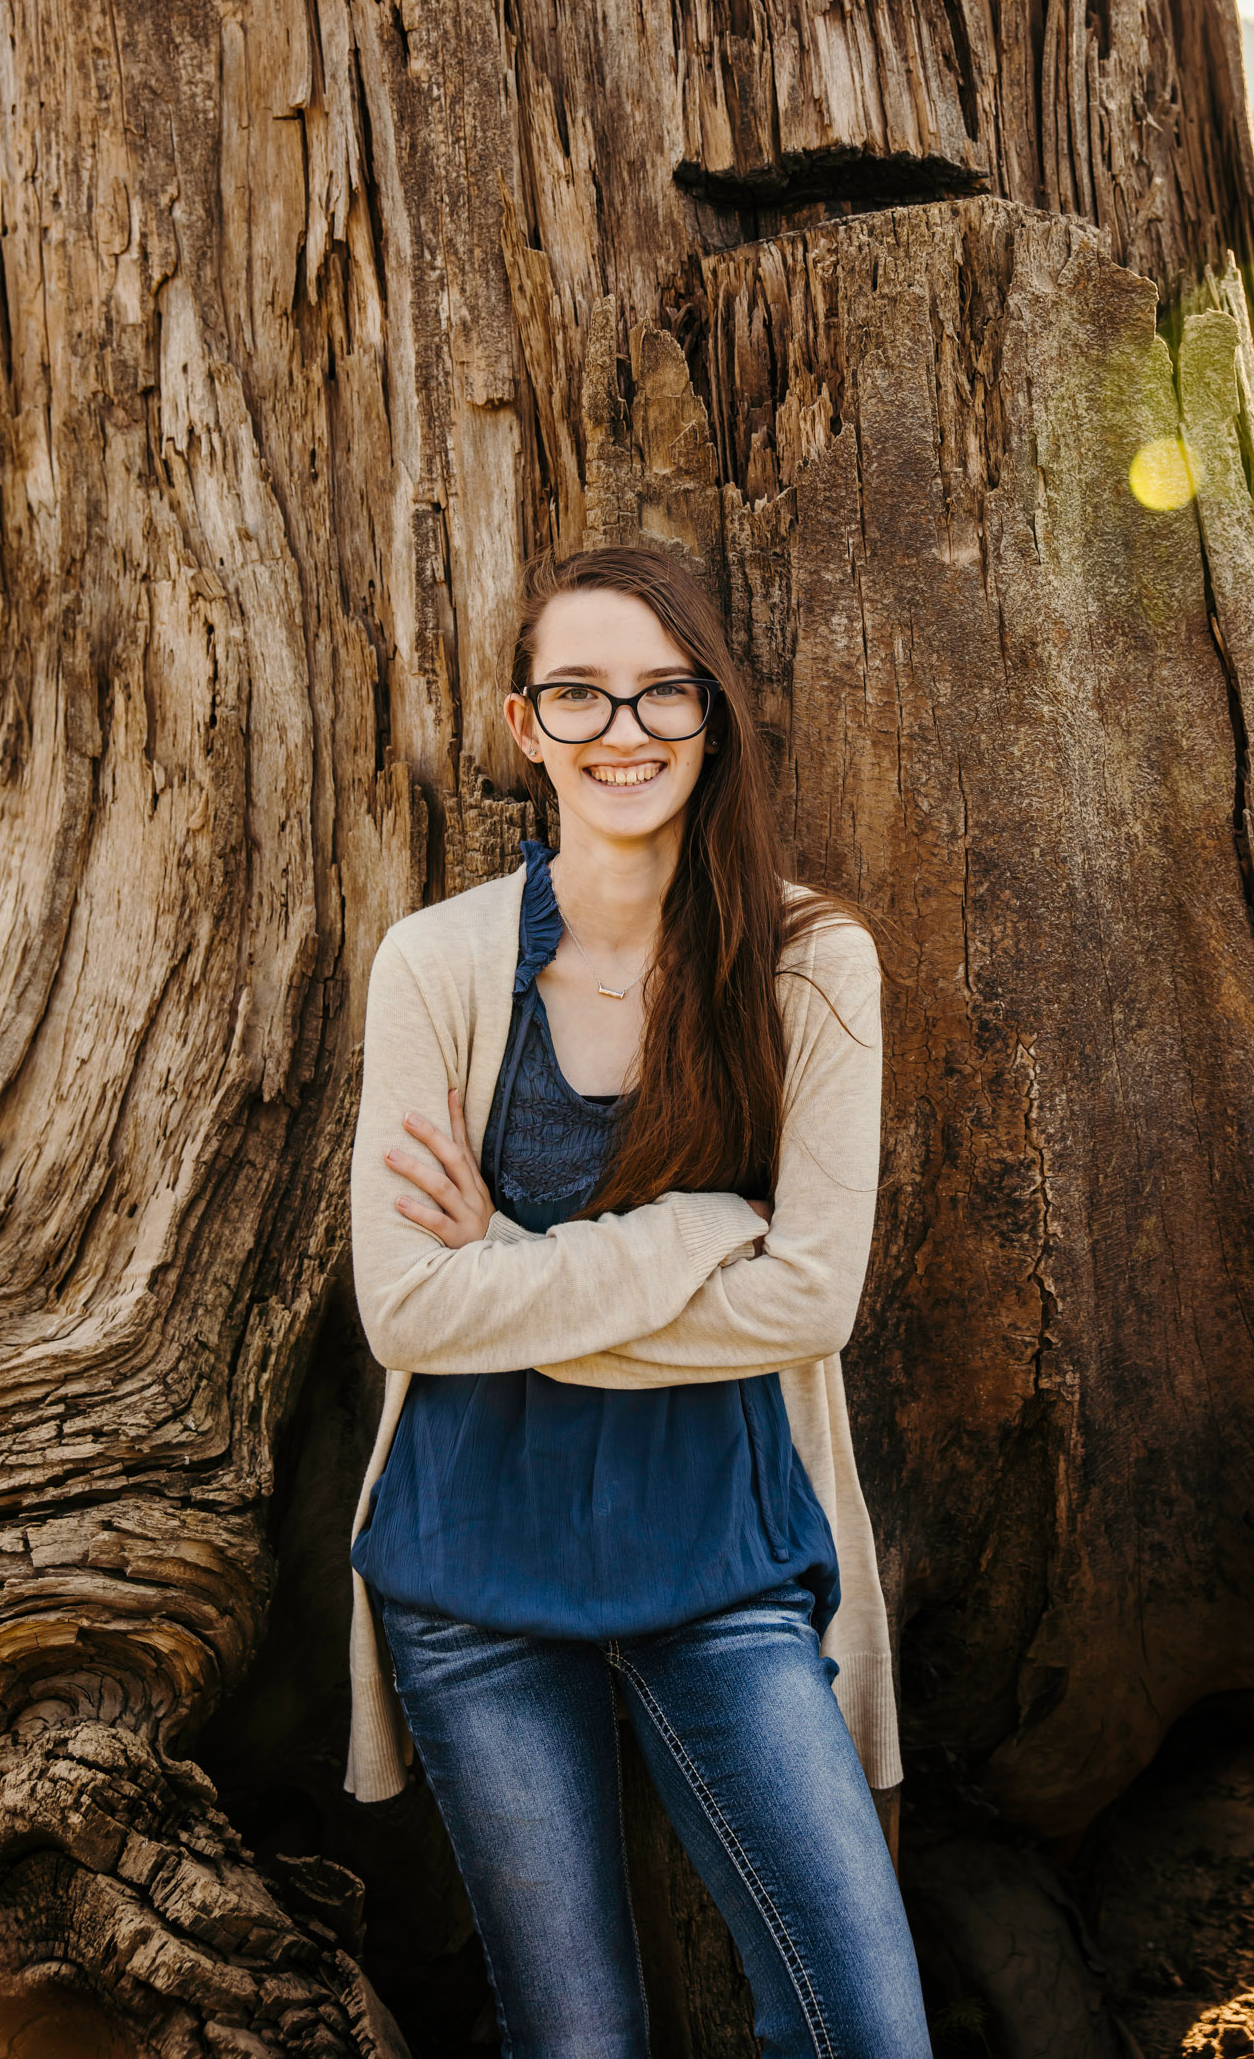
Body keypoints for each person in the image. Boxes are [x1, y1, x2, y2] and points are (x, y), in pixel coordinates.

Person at [342, 543, 930, 2059]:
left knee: (863, 2026)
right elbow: (410, 1311)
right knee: (580, 2043)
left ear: (714, 716)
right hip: (473, 1562)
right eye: (579, 693)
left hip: (720, 1553)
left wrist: (519, 1279)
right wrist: (695, 1234)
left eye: (663, 689)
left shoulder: (813, 966)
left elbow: (809, 1302)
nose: (625, 729)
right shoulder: (436, 966)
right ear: (524, 723)